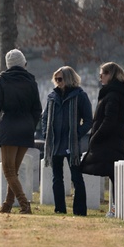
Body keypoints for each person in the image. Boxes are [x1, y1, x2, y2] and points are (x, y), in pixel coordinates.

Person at [0, 49, 42, 214]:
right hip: (26, 130)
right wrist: (30, 125)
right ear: (23, 64)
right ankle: (7, 205)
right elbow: (37, 110)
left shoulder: (3, 80)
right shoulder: (31, 81)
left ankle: (24, 204)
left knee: (8, 170)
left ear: (8, 65)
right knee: (13, 171)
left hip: (9, 127)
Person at [80, 62, 124, 216]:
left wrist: (95, 138)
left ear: (110, 75)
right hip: (112, 143)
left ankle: (114, 209)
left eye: (102, 74)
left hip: (106, 143)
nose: (100, 78)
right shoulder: (116, 93)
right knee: (114, 178)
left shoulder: (112, 95)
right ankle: (115, 209)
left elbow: (109, 121)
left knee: (82, 168)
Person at [41, 66, 93, 214]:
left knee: (76, 178)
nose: (57, 82)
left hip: (71, 143)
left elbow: (89, 120)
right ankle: (60, 209)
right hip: (56, 143)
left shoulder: (80, 96)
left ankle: (80, 210)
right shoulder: (52, 96)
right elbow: (45, 118)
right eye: (56, 79)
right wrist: (46, 134)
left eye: (60, 79)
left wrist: (77, 133)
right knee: (57, 178)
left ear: (69, 79)